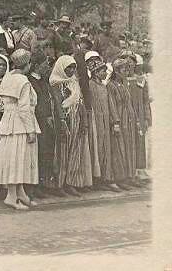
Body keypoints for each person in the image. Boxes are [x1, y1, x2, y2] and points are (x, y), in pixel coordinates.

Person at [0, 49, 41, 210]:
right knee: (17, 158)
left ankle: (20, 192)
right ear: (27, 64)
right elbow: (24, 108)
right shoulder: (23, 81)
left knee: (15, 158)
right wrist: (30, 129)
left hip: (9, 121)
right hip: (19, 124)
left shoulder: (8, 77)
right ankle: (11, 196)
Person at [49, 55, 93, 196]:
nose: (71, 70)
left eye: (74, 68)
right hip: (64, 121)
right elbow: (57, 104)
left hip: (76, 120)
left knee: (75, 151)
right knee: (62, 153)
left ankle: (70, 183)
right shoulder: (55, 84)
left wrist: (84, 123)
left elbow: (80, 103)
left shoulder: (74, 82)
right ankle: (59, 185)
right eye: (69, 68)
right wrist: (62, 122)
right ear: (61, 67)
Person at [27, 49, 65, 197]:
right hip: (38, 121)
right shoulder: (30, 81)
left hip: (47, 122)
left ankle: (44, 182)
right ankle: (35, 185)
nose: (47, 67)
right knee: (38, 153)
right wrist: (45, 116)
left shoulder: (44, 80)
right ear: (36, 65)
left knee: (47, 152)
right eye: (44, 64)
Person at [107, 57, 140, 190]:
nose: (126, 72)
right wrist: (116, 122)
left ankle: (129, 176)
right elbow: (112, 105)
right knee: (119, 149)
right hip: (120, 122)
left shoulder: (124, 85)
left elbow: (130, 104)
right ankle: (120, 178)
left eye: (127, 69)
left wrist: (136, 120)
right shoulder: (111, 85)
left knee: (130, 148)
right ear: (117, 70)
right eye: (123, 69)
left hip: (129, 121)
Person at [89, 61, 121, 192]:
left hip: (105, 122)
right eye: (103, 71)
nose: (105, 73)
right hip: (95, 123)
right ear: (96, 72)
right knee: (97, 149)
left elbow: (111, 105)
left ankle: (106, 178)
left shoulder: (104, 86)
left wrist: (115, 122)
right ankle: (96, 179)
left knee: (106, 149)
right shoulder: (90, 86)